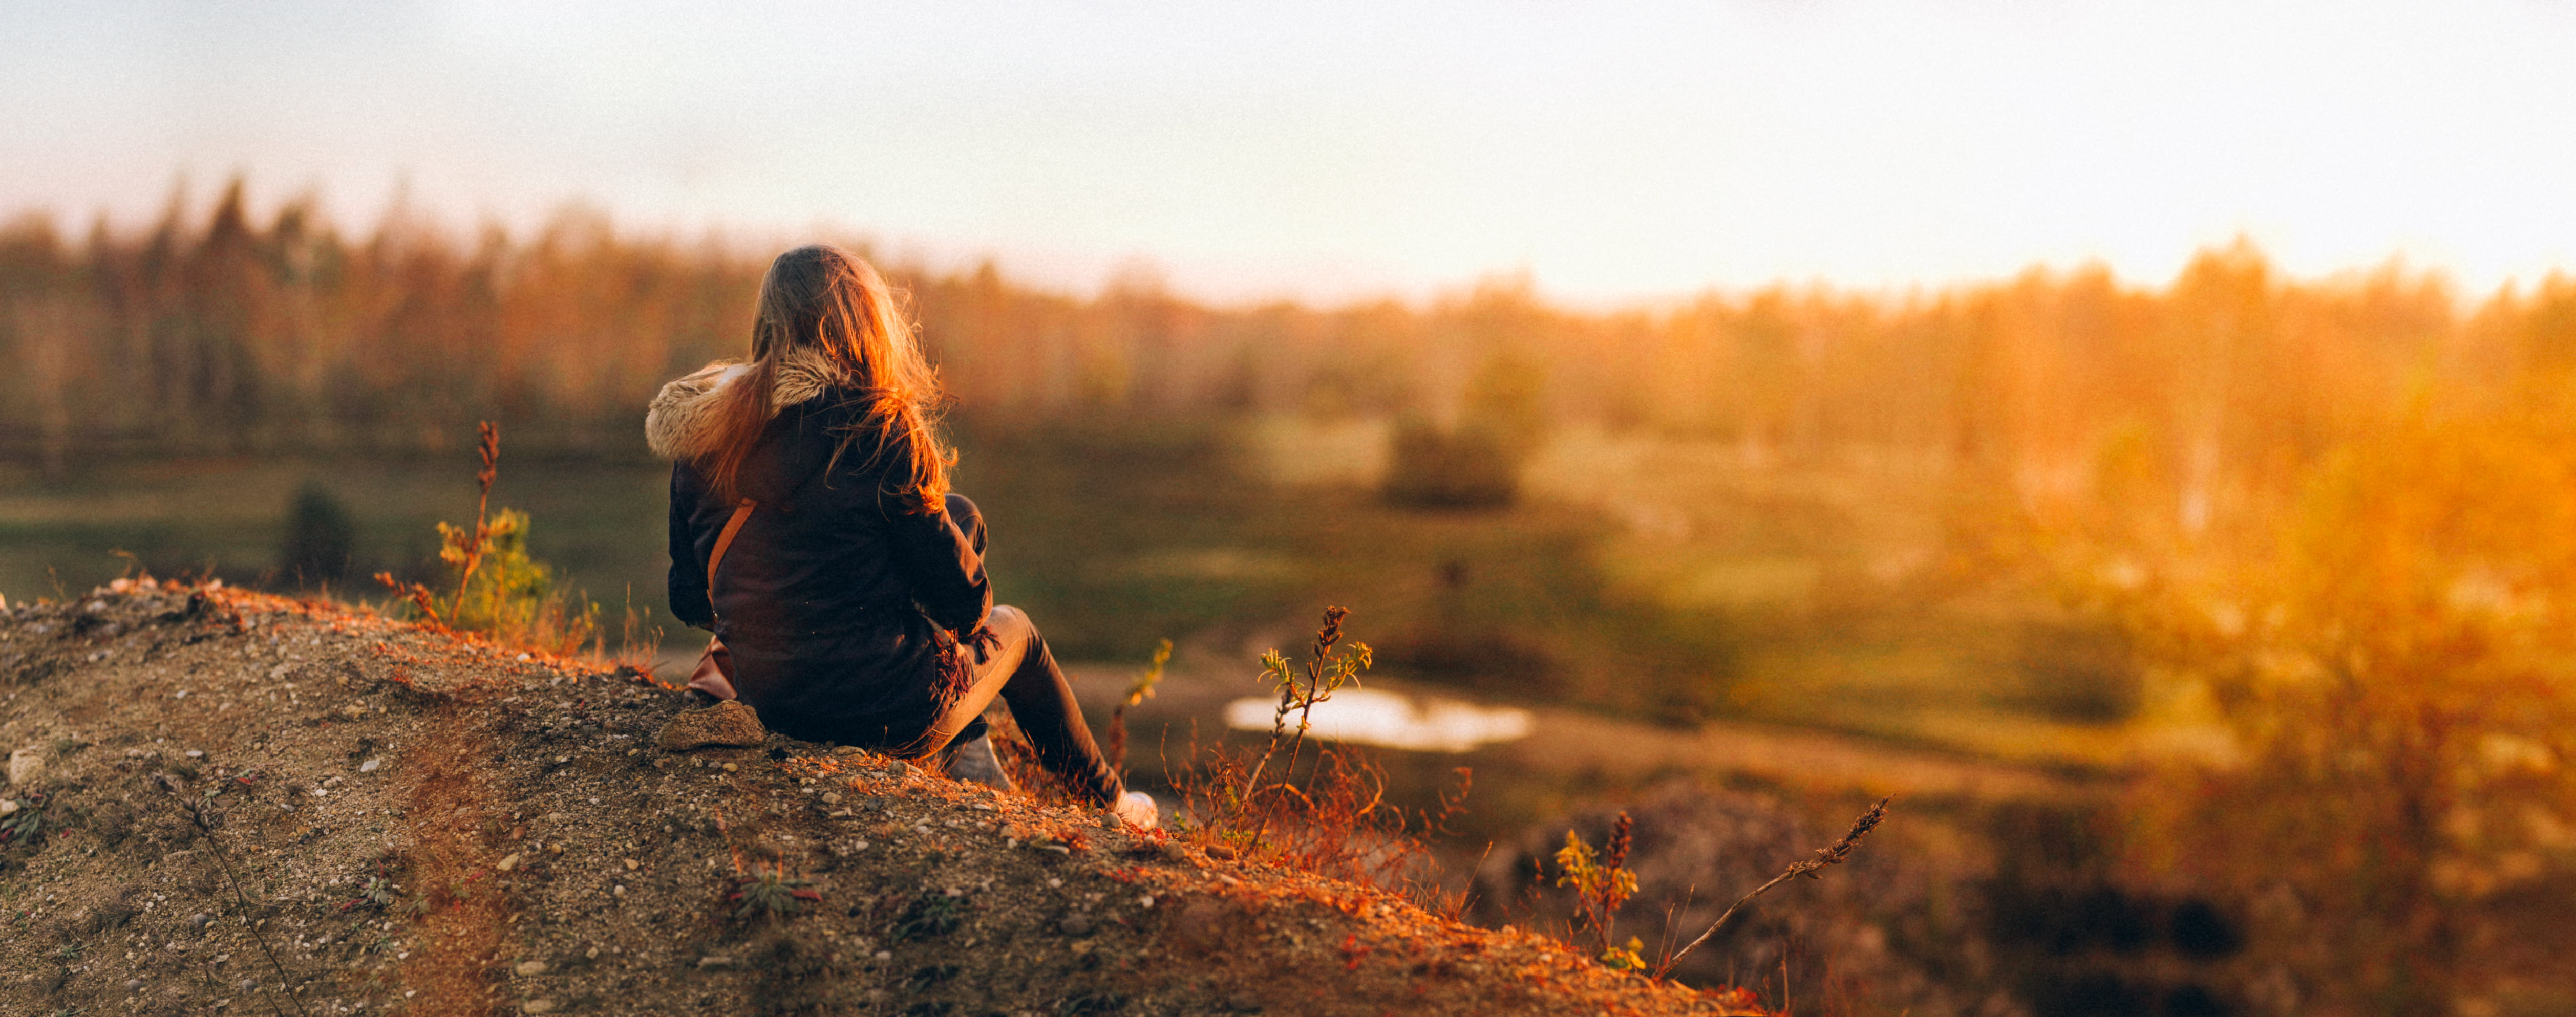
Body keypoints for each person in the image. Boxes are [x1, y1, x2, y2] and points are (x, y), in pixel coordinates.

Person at [647, 243, 1155, 828]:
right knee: (1020, 635)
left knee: (958, 516)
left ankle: (973, 758)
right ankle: (1116, 806)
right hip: (888, 713)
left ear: (768, 324)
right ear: (863, 325)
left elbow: (689, 599)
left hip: (771, 703)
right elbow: (965, 606)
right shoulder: (876, 428)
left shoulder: (705, 436)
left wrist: (782, 616)